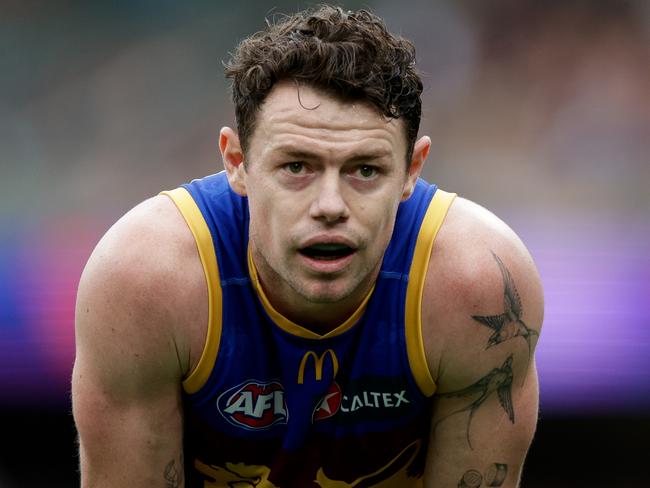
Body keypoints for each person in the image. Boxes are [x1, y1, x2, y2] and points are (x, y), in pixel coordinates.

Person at [72, 5, 543, 488]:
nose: (330, 205)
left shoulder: (479, 288)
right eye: (297, 166)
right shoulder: (144, 282)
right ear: (236, 161)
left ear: (412, 170)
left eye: (365, 170)